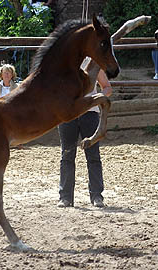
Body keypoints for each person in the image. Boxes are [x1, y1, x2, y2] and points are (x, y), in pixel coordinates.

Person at [57, 58, 113, 208]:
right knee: (67, 155)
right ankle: (65, 197)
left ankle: (97, 196)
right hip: (68, 114)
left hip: (90, 113)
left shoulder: (94, 63)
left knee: (93, 155)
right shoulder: (63, 61)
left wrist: (98, 99)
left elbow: (107, 87)